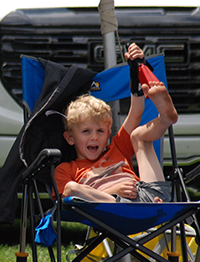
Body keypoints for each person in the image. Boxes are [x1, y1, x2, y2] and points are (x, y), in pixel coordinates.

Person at [54, 43, 178, 203]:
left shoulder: (117, 148)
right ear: (70, 138)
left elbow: (136, 111)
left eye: (100, 131)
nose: (94, 137)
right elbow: (67, 197)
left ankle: (166, 118)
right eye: (86, 131)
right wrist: (114, 190)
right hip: (111, 207)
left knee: (138, 136)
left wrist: (136, 71)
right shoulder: (67, 169)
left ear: (108, 135)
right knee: (72, 188)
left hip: (148, 196)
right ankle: (129, 207)